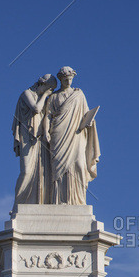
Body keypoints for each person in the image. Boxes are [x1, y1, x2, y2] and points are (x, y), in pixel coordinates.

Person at [42, 66, 100, 205]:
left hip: (77, 134)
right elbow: (47, 116)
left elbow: (86, 114)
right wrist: (45, 132)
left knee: (79, 164)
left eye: (70, 79)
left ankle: (78, 200)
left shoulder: (79, 94)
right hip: (58, 133)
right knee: (58, 167)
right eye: (66, 79)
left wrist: (90, 122)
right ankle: (58, 200)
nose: (68, 82)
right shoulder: (54, 97)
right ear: (61, 79)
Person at [12, 74, 57, 206]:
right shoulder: (27, 93)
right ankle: (17, 205)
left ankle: (37, 202)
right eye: (50, 89)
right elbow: (36, 109)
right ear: (43, 84)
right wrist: (45, 95)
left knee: (41, 173)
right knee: (26, 171)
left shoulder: (43, 98)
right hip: (27, 137)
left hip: (40, 139)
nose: (51, 92)